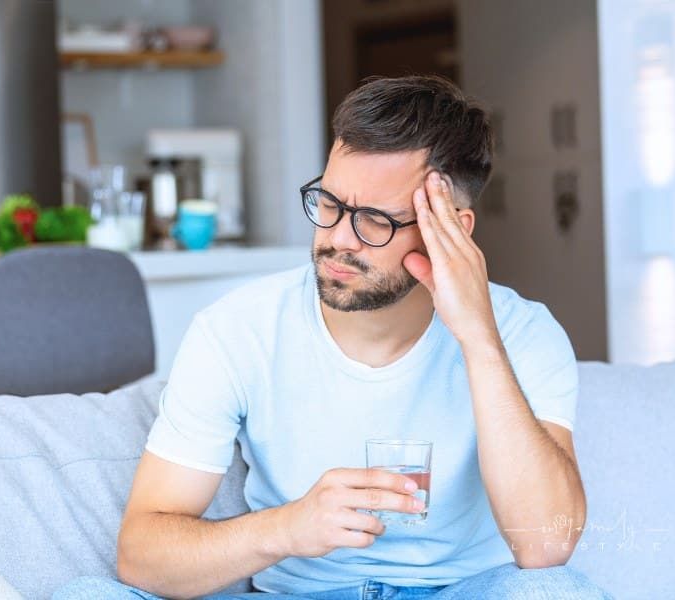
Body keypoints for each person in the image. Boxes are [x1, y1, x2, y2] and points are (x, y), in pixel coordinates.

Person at [54, 75, 612, 600]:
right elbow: (142, 554)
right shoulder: (238, 329)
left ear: (453, 229)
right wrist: (287, 528)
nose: (338, 238)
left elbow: (545, 545)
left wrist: (479, 338)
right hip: (301, 593)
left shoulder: (523, 333)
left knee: (557, 592)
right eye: (329, 202)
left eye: (375, 219)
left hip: (461, 591)